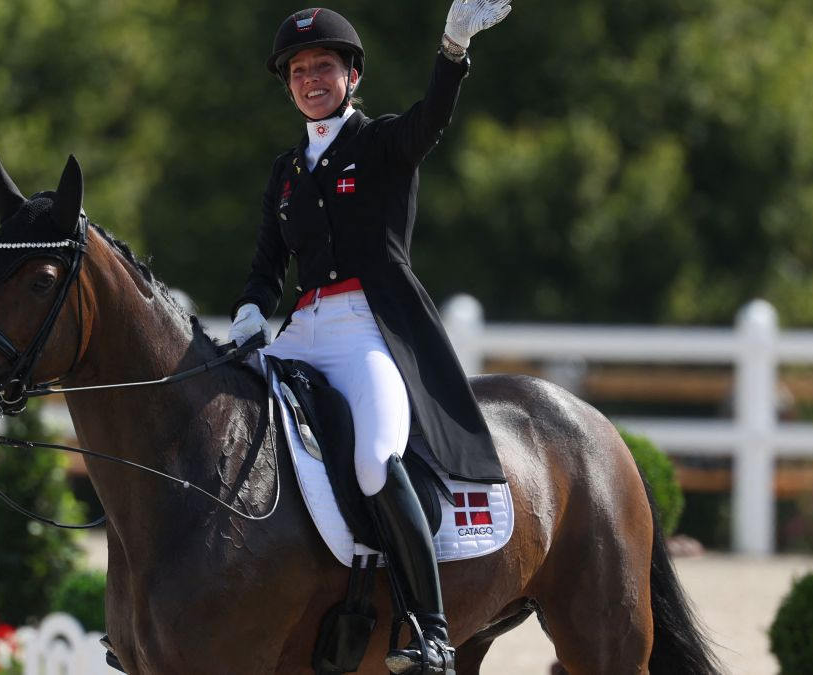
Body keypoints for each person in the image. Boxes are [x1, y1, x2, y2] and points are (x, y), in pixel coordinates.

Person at [228, 3, 512, 673]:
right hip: (299, 332)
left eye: (323, 65)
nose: (310, 78)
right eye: (298, 70)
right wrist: (248, 309)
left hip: (366, 333)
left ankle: (431, 628)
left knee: (375, 462)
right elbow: (267, 265)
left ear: (352, 75)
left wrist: (452, 50)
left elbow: (431, 120)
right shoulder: (286, 172)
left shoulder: (381, 143)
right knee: (223, 428)